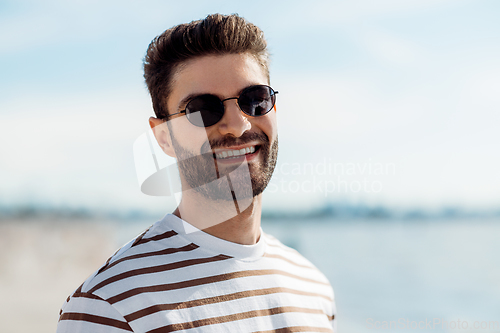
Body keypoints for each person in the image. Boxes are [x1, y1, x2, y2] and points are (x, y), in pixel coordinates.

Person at [57, 13, 336, 332]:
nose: (237, 125)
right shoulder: (109, 306)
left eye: (255, 100)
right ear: (163, 136)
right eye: (203, 108)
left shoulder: (312, 287)